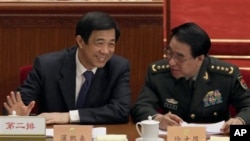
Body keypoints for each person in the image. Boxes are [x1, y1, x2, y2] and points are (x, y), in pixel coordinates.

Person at [3, 11, 131, 125]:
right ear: (80, 41)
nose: (105, 51)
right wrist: (15, 114)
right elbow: (17, 105)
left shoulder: (118, 67)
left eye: (111, 44)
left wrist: (69, 116)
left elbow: (121, 110)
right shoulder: (47, 66)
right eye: (100, 43)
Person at [131, 22, 250, 134]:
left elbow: (248, 105)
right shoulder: (158, 73)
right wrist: (158, 119)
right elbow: (141, 106)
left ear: (200, 59)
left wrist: (240, 121)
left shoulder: (225, 75)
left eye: (180, 57)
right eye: (169, 52)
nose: (171, 62)